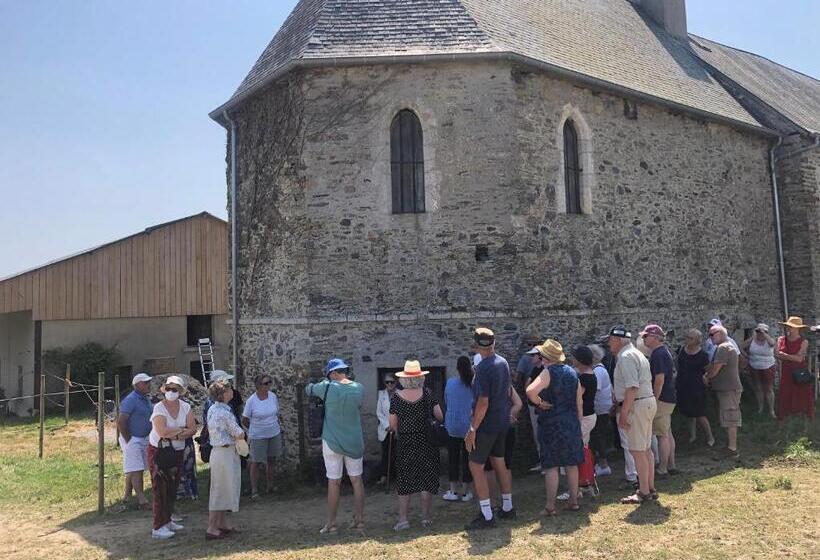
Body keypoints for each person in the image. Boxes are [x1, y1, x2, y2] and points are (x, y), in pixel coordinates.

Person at [305, 358, 365, 534]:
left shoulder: (327, 387)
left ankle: (331, 524)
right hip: (354, 440)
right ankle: (360, 521)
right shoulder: (359, 388)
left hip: (332, 441)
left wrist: (320, 382)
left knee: (334, 482)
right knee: (357, 481)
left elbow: (309, 389)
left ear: (332, 373)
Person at [526, 339, 584, 515]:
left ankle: (550, 506)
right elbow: (579, 402)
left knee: (551, 466)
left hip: (551, 423)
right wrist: (578, 424)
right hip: (570, 422)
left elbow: (530, 391)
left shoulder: (547, 372)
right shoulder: (572, 372)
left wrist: (540, 403)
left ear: (545, 357)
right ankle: (573, 501)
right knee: (571, 464)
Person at [464, 327, 514, 530]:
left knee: (475, 466)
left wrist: (472, 428)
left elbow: (483, 402)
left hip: (486, 425)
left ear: (477, 345)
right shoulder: (503, 362)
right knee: (499, 462)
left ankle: (486, 515)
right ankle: (508, 507)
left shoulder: (483, 368)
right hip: (502, 421)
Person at [389, 361, 444, 531]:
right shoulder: (428, 394)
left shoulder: (396, 397)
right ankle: (426, 517)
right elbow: (440, 416)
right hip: (427, 441)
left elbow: (392, 425)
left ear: (404, 379)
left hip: (406, 442)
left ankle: (403, 520)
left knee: (405, 480)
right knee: (426, 479)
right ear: (421, 377)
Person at [608, 326, 658, 504]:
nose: (609, 344)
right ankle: (649, 487)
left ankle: (643, 491)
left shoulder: (625, 357)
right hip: (645, 402)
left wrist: (624, 413)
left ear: (618, 340)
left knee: (637, 451)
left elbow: (632, 387)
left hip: (636, 405)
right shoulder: (636, 353)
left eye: (610, 340)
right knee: (645, 449)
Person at [147, 376, 196, 539]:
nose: (170, 392)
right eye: (168, 389)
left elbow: (192, 429)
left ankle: (167, 520)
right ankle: (157, 526)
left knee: (172, 488)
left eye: (174, 389)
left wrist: (174, 433)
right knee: (159, 488)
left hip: (177, 451)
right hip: (159, 451)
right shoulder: (159, 408)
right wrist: (181, 431)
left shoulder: (186, 407)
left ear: (180, 392)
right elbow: (161, 432)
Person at [206, 377, 246, 540]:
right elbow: (238, 433)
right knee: (218, 490)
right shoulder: (224, 413)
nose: (232, 391)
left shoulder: (213, 408)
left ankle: (221, 523)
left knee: (222, 488)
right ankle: (212, 527)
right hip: (225, 452)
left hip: (219, 452)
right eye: (229, 389)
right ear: (223, 394)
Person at [641, 324, 678, 476]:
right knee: (667, 432)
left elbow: (659, 379)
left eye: (645, 336)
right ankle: (671, 465)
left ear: (655, 338)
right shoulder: (662, 351)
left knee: (662, 435)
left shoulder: (658, 354)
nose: (643, 339)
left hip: (662, 398)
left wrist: (654, 399)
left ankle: (663, 468)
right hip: (668, 397)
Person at [242, 373, 283, 499]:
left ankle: (270, 485)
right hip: (258, 436)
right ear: (258, 386)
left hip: (274, 433)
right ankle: (254, 490)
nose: (269, 385)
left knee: (272, 460)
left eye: (270, 382)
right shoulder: (251, 401)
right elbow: (245, 419)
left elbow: (276, 413)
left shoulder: (273, 397)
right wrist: (255, 429)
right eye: (266, 383)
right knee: (256, 462)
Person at [705, 326, 743, 457]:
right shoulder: (724, 347)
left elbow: (715, 369)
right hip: (726, 389)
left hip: (729, 389)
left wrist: (706, 377)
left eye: (712, 334)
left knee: (731, 418)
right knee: (727, 418)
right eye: (709, 335)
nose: (710, 337)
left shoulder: (723, 347)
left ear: (721, 334)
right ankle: (730, 445)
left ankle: (732, 448)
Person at [117, 372, 153, 510]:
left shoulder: (145, 398)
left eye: (149, 382)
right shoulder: (131, 400)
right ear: (137, 385)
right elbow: (121, 421)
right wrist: (129, 439)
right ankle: (142, 500)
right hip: (134, 439)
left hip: (143, 438)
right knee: (137, 469)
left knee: (134, 468)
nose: (148, 384)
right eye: (145, 382)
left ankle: (127, 496)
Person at [443, 356, 474, 502]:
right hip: (469, 426)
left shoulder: (450, 383)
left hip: (453, 426)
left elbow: (446, 401)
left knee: (453, 459)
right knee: (468, 459)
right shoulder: (473, 385)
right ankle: (466, 491)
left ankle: (453, 490)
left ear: (457, 368)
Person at [676, 329, 715, 446]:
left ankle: (710, 437)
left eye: (691, 338)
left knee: (700, 413)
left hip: (697, 387)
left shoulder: (703, 355)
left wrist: (706, 378)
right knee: (689, 413)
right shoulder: (682, 351)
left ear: (697, 340)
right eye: (687, 337)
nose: (688, 340)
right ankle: (693, 435)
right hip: (683, 386)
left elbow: (709, 370)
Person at [775, 316, 814, 421]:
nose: (789, 328)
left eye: (792, 326)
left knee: (801, 392)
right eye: (788, 326)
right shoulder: (781, 339)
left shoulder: (804, 341)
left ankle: (802, 416)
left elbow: (799, 359)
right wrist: (791, 357)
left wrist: (785, 355)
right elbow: (777, 354)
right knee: (786, 392)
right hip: (786, 371)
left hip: (799, 371)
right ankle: (784, 415)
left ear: (798, 328)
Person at [742, 323, 777, 417]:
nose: (759, 333)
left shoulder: (769, 340)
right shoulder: (753, 339)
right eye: (758, 331)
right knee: (758, 387)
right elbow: (741, 346)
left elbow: (772, 344)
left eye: (762, 331)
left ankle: (771, 410)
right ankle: (760, 407)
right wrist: (746, 356)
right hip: (754, 366)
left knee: (769, 388)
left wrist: (765, 334)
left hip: (768, 366)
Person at [588, 345, 613, 476]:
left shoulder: (597, 371)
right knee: (598, 435)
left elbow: (594, 389)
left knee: (598, 436)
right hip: (603, 407)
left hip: (599, 408)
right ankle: (600, 463)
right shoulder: (601, 369)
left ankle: (603, 464)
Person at [520, 346, 545, 471]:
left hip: (541, 407)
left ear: (540, 356)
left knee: (543, 434)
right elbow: (527, 385)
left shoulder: (545, 370)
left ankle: (547, 463)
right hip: (533, 406)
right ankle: (543, 461)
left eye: (533, 355)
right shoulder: (535, 369)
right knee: (537, 434)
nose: (530, 358)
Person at [376, 372, 398, 487]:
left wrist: (394, 426)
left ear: (396, 382)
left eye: (392, 382)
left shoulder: (400, 394)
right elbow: (379, 412)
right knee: (386, 454)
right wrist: (387, 425)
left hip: (397, 429)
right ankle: (384, 476)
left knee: (398, 453)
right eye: (387, 382)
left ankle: (399, 477)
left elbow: (402, 412)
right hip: (385, 429)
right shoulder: (381, 394)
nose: (389, 384)